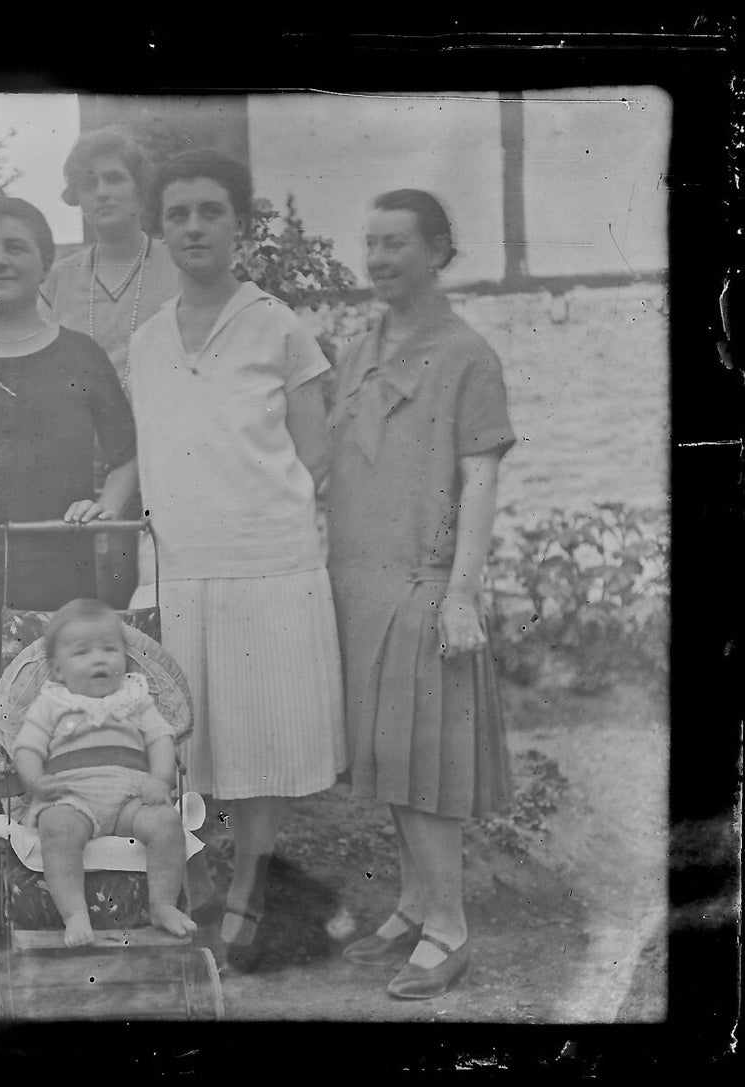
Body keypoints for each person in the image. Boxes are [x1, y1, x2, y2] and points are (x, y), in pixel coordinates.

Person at [125, 149, 347, 972]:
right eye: (177, 214)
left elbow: (314, 455)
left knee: (258, 744)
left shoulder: (276, 326)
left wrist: (252, 517)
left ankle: (248, 893)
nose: (193, 227)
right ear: (159, 229)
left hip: (265, 568)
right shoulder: (145, 341)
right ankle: (189, 889)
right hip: (178, 567)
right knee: (181, 747)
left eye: (209, 211)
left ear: (238, 225)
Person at [0, 195, 139, 956]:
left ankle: (59, 900)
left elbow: (126, 454)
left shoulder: (79, 355)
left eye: (15, 247)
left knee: (53, 734)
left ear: (46, 263)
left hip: (57, 584)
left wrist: (105, 505)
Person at [327, 189, 516, 999]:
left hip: (424, 580)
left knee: (425, 764)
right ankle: (412, 904)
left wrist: (461, 594)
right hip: (356, 581)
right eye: (369, 242)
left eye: (395, 243)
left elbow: (480, 481)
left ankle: (449, 928)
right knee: (386, 756)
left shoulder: (468, 355)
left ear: (437, 250)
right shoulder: (353, 351)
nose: (376, 258)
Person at [40, 128, 182, 608]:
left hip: (164, 476)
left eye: (115, 178)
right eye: (89, 182)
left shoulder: (178, 269)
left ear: (140, 188)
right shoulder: (59, 280)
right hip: (78, 479)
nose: (101, 192)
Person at [12, 598, 198, 947]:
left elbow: (160, 739)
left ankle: (162, 905)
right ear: (58, 671)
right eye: (82, 653)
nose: (99, 659)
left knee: (166, 822)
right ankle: (74, 914)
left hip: (131, 798)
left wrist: (160, 779)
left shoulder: (135, 697)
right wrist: (36, 781)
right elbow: (26, 747)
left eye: (109, 649)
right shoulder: (52, 702)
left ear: (124, 659)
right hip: (72, 798)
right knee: (57, 827)